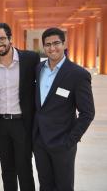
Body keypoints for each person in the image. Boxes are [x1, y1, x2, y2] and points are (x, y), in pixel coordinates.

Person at [33, 27, 95, 191]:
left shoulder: (78, 74)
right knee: (45, 185)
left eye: (56, 43)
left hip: (62, 142)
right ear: (43, 47)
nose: (52, 48)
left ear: (64, 43)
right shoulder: (39, 69)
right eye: (48, 44)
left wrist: (70, 140)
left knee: (64, 186)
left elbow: (87, 113)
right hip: (40, 141)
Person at [0, 22, 39, 191]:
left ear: (10, 38)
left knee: (24, 169)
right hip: (0, 123)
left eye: (2, 38)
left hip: (22, 123)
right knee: (7, 170)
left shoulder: (30, 59)